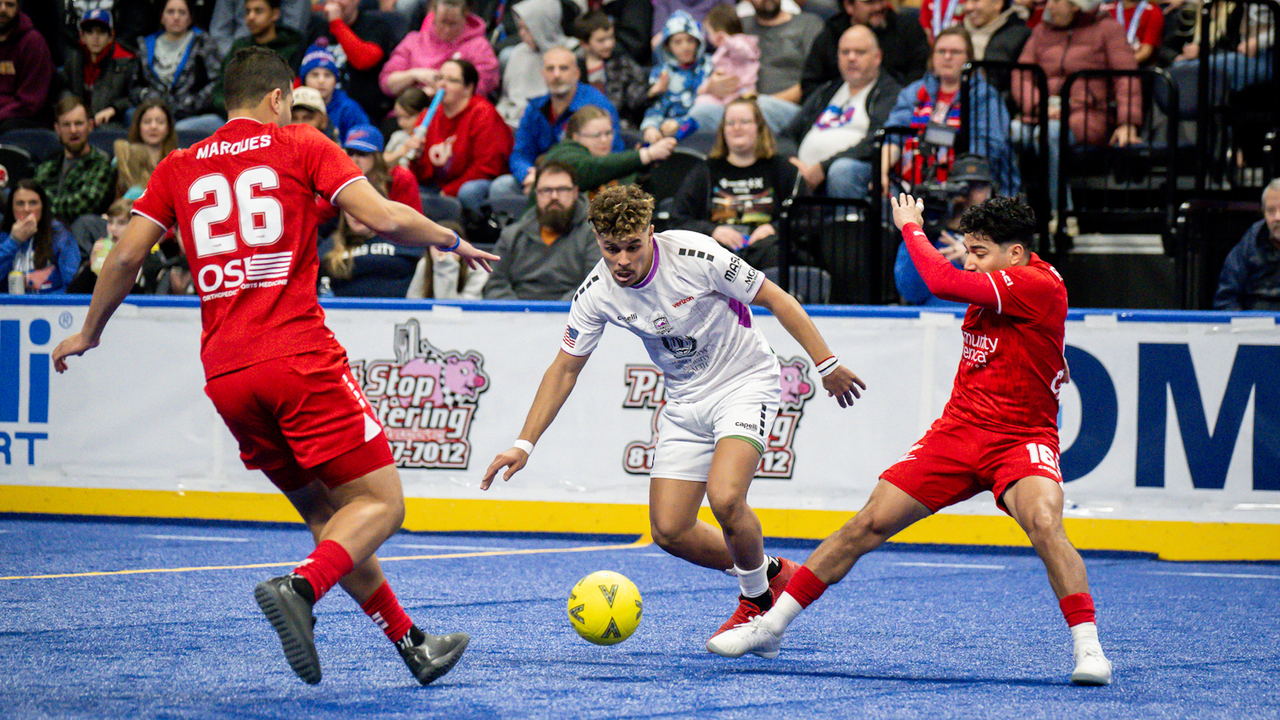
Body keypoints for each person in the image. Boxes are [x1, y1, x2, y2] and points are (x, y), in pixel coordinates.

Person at [51, 46, 497, 687]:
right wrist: (451, 237)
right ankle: (300, 587)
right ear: (280, 97)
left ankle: (411, 643)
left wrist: (88, 332)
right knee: (383, 505)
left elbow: (122, 258)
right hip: (297, 358)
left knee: (329, 516)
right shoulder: (301, 144)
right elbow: (381, 218)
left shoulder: (179, 164)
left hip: (227, 376)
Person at [708, 192, 1114, 688]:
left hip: (1020, 439)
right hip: (959, 433)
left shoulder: (1035, 283)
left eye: (979, 251)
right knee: (867, 524)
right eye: (967, 249)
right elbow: (935, 284)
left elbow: (940, 282)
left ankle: (1089, 648)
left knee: (1046, 523)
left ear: (1014, 253)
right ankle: (771, 627)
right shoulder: (1003, 279)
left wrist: (910, 226)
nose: (968, 260)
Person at [481, 183, 866, 647]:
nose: (621, 260)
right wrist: (525, 443)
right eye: (610, 249)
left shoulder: (697, 254)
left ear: (650, 232)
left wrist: (826, 363)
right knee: (670, 530)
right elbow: (564, 369)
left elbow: (777, 298)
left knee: (725, 499)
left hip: (746, 382)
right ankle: (768, 572)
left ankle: (757, 603)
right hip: (685, 399)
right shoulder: (595, 294)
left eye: (631, 246)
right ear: (596, 241)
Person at [1012, 0, 1141, 211]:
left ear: (1076, 5)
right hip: (1042, 111)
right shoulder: (1041, 31)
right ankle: (1012, 213)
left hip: (1088, 114)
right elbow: (1022, 75)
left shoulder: (1108, 29)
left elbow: (1126, 78)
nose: (1049, 6)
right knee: (1014, 132)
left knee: (1051, 133)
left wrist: (1128, 122)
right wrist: (1037, 105)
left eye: (1056, 1)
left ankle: (1061, 214)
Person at [881, 27, 1018, 196]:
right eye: (941, 51)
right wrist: (882, 172)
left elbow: (986, 150)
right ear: (932, 57)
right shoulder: (914, 91)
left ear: (969, 58)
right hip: (910, 181)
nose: (947, 57)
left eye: (955, 52)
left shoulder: (985, 96)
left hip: (963, 181)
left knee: (976, 188)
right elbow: (893, 134)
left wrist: (951, 180)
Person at [671, 98, 798, 269]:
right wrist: (712, 231)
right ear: (723, 131)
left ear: (759, 128)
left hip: (766, 250)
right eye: (730, 123)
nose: (737, 128)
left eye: (744, 122)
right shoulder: (706, 171)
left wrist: (773, 229)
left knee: (776, 251)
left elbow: (806, 218)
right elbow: (678, 219)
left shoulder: (782, 168)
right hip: (720, 253)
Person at [780, 25, 901, 199]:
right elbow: (786, 135)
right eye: (845, 52)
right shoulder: (827, 90)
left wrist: (824, 166)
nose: (851, 58)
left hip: (854, 170)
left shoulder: (889, 92)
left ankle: (843, 224)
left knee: (841, 170)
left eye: (859, 52)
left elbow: (877, 139)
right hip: (807, 172)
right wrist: (793, 161)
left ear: (877, 57)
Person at [493, 46, 624, 198]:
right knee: (501, 187)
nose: (556, 75)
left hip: (584, 184)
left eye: (563, 68)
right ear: (543, 74)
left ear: (576, 73)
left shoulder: (597, 106)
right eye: (550, 69)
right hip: (541, 181)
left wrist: (561, 180)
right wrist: (528, 175)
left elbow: (614, 156)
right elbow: (520, 154)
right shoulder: (535, 108)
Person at [403, 58, 513, 213]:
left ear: (468, 88)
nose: (442, 84)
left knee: (468, 191)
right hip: (441, 185)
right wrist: (416, 159)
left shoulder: (483, 113)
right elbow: (424, 176)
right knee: (405, 185)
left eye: (452, 80)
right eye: (439, 78)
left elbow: (487, 167)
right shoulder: (427, 116)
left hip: (476, 184)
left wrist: (449, 191)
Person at [482, 160, 599, 300]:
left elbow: (594, 286)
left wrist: (556, 313)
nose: (554, 196)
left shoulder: (593, 235)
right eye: (547, 190)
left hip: (571, 316)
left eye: (562, 189)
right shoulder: (511, 235)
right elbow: (495, 285)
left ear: (575, 192)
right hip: (516, 316)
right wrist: (520, 314)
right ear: (536, 194)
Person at [893, 153, 991, 306]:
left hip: (981, 324)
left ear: (989, 191)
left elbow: (1010, 291)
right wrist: (920, 235)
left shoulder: (998, 238)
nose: (970, 193)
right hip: (934, 323)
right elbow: (911, 292)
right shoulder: (930, 235)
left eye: (978, 186)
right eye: (963, 185)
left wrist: (973, 261)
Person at [539, 105, 676, 199]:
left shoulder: (615, 167)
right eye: (597, 135)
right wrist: (647, 154)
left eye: (608, 133)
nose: (604, 140)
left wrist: (642, 175)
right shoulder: (564, 154)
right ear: (575, 136)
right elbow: (592, 167)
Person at [132, 0, 225, 134]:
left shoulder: (203, 42)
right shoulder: (145, 45)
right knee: (132, 116)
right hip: (154, 109)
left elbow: (217, 81)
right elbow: (134, 84)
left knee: (180, 128)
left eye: (182, 12)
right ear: (162, 17)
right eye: (170, 12)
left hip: (192, 113)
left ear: (190, 18)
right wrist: (146, 97)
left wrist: (193, 103)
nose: (176, 17)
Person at [379, 0, 500, 101]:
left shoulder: (479, 47)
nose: (447, 30)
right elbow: (387, 84)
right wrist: (414, 74)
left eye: (453, 24)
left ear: (465, 17)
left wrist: (440, 89)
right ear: (433, 15)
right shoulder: (414, 40)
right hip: (410, 112)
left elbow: (482, 87)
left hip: (454, 114)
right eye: (443, 22)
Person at [802, 0, 930, 95]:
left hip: (892, 104)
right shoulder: (830, 35)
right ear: (849, 6)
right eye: (870, 2)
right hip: (835, 109)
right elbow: (810, 84)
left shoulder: (908, 28)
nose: (879, 7)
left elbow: (920, 74)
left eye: (881, 0)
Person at [34, 95, 116, 226]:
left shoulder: (102, 164)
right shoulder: (49, 164)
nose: (73, 130)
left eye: (78, 123)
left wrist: (41, 205)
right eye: (66, 125)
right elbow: (31, 197)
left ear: (90, 125)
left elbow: (82, 207)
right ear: (57, 129)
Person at [316, 0, 403, 121]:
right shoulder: (317, 27)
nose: (336, 2)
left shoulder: (376, 25)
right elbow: (298, 71)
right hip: (318, 113)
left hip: (364, 115)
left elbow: (364, 61)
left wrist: (337, 23)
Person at [495, 0, 571, 128]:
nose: (521, 34)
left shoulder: (570, 53)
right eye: (520, 28)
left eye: (527, 29)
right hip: (512, 119)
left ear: (544, 26)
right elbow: (507, 98)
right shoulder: (519, 52)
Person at [319, 205, 423, 297]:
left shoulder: (403, 239)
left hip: (402, 312)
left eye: (364, 207)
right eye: (351, 208)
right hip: (343, 313)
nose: (356, 215)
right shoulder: (330, 246)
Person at [641, 10, 712, 144]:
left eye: (690, 40)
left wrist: (680, 123)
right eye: (677, 42)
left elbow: (710, 110)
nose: (685, 47)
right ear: (667, 46)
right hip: (667, 131)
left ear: (698, 42)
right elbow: (656, 107)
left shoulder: (710, 66)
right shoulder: (661, 72)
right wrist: (650, 127)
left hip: (700, 130)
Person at [61, 9, 138, 129]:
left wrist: (114, 109)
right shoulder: (73, 59)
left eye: (101, 32)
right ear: (82, 36)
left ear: (111, 36)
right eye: (90, 32)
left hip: (110, 123)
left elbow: (133, 96)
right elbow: (64, 90)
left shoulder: (124, 61)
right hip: (77, 122)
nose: (95, 38)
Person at [0, 179, 80, 293]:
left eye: (33, 203)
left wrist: (42, 302)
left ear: (43, 206)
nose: (27, 209)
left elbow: (73, 286)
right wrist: (13, 241)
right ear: (11, 207)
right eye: (20, 203)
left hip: (49, 307)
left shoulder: (60, 236)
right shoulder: (4, 235)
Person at [574, 9, 649, 129]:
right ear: (584, 43)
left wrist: (652, 91)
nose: (608, 44)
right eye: (601, 40)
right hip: (584, 125)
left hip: (620, 124)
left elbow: (635, 99)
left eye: (611, 37)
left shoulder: (622, 61)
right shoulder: (574, 66)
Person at [1213, 179, 1280, 311]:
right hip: (1256, 327)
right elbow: (1226, 300)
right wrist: (1243, 329)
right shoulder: (1251, 242)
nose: (1277, 217)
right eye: (1271, 211)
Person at [0, 0, 55, 134]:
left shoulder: (33, 42)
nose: (2, 9)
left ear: (18, 7)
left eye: (9, 5)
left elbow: (31, 102)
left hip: (24, 118)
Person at [300, 42, 371, 143]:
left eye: (327, 75)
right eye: (315, 75)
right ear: (304, 80)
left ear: (335, 80)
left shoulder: (349, 109)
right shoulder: (293, 106)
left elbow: (364, 144)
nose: (321, 80)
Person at [693, 4, 760, 109]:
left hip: (742, 87)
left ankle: (747, 98)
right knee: (701, 101)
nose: (708, 37)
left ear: (719, 33)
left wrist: (727, 41)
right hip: (725, 93)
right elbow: (716, 72)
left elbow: (744, 53)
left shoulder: (740, 41)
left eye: (709, 32)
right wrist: (706, 87)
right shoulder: (720, 51)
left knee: (742, 100)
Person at [406, 220, 489, 299]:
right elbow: (413, 300)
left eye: (449, 247)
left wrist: (446, 267)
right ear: (429, 249)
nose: (444, 252)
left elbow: (462, 307)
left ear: (463, 248)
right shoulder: (424, 263)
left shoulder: (475, 267)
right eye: (438, 247)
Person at [1100, 0, 1164, 64]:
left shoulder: (1153, 12)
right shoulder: (1105, 11)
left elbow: (1145, 52)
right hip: (1104, 65)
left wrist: (1121, 64)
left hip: (1136, 68)